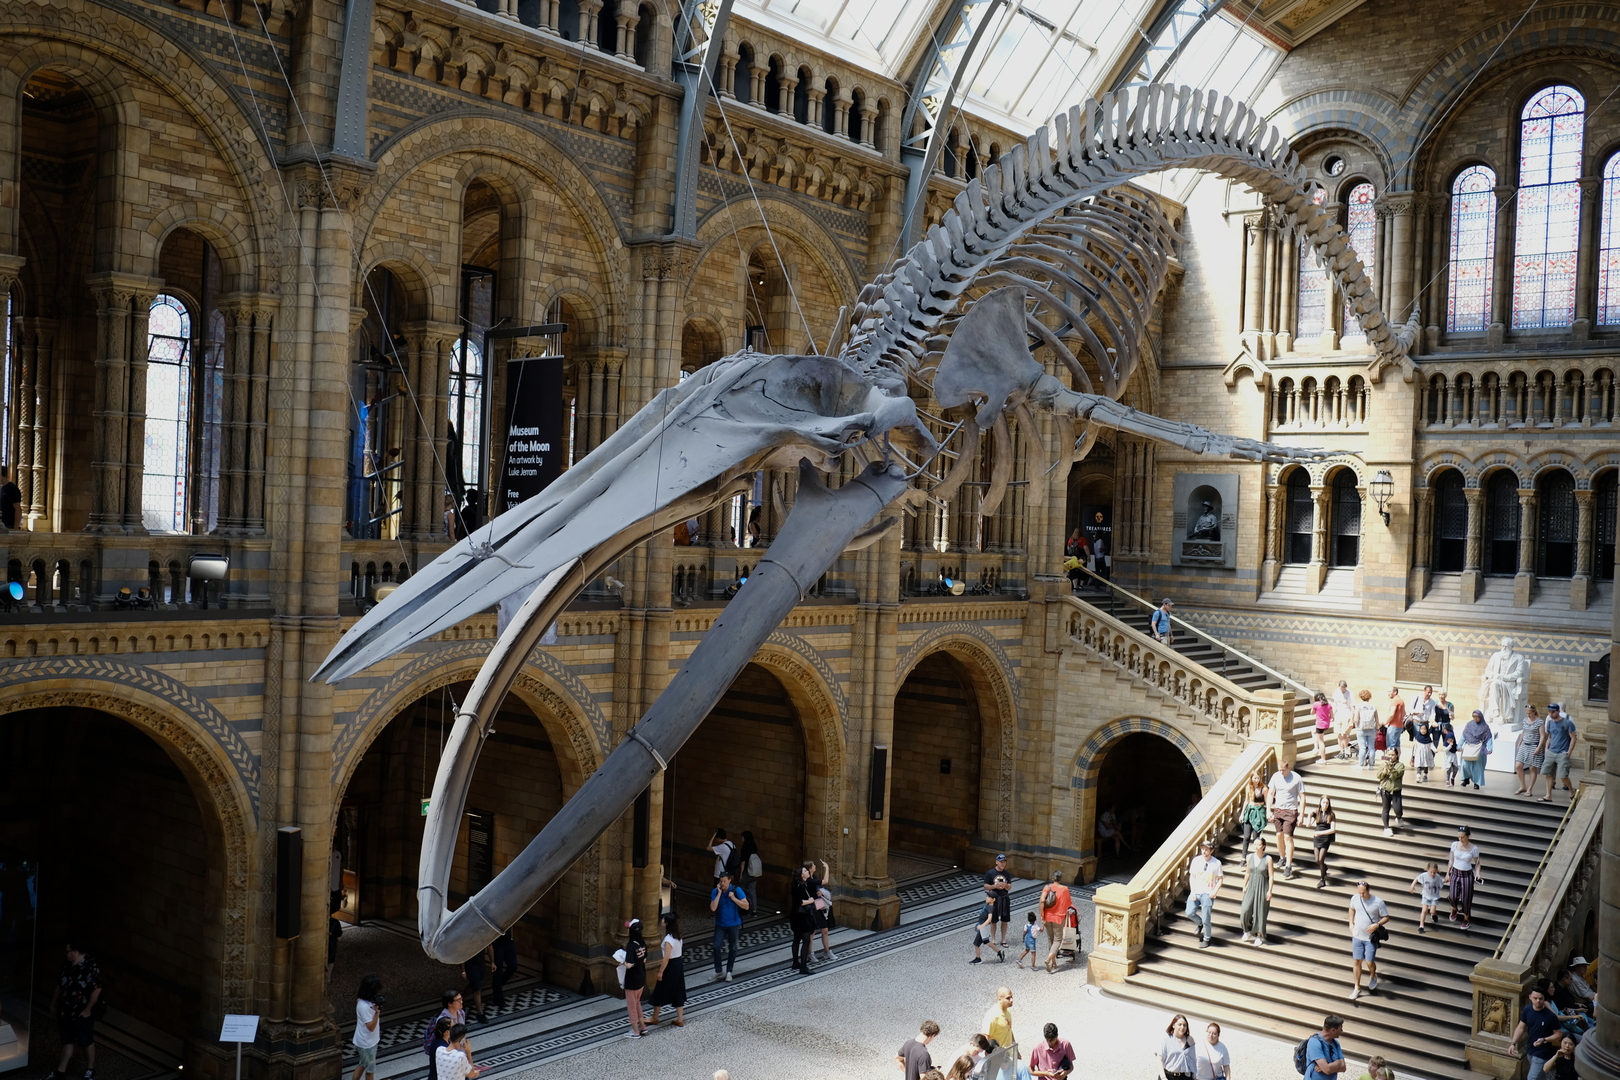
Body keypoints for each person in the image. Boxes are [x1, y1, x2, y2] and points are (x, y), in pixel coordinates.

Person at [47, 941, 102, 1080]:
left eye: (67, 951)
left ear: (75, 952)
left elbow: (97, 989)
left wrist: (88, 1009)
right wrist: (53, 1004)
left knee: (85, 1040)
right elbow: (60, 984)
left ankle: (90, 1069)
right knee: (67, 1040)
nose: (65, 954)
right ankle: (60, 1071)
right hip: (65, 1010)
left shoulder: (91, 966)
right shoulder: (67, 964)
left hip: (81, 1012)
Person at [1511, 981, 1566, 1073]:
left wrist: (1544, 1040)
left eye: (1540, 998)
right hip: (1530, 1049)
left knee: (1532, 1077)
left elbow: (1558, 1034)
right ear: (1530, 997)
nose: (1538, 1001)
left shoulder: (1550, 1016)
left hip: (1543, 1052)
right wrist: (1513, 1043)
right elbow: (1520, 1027)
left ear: (1544, 998)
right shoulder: (1527, 1010)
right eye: (1535, 998)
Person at [1348, 881, 1390, 1000]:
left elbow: (1386, 917)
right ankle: (1357, 987)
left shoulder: (1378, 902)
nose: (1361, 895)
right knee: (1357, 961)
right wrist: (1351, 923)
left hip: (1370, 938)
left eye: (1363, 893)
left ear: (1368, 890)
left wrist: (1377, 924)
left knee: (1369, 961)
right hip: (1357, 935)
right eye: (1359, 892)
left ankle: (1373, 974)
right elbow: (1351, 909)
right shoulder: (1355, 898)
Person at [1266, 759, 1305, 878]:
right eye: (1279, 770)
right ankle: (1282, 857)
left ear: (1288, 768)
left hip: (1290, 811)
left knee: (1288, 837)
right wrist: (1268, 810)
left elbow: (1302, 797)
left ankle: (1288, 865)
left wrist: (1301, 814)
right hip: (1278, 810)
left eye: (1283, 770)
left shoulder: (1296, 778)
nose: (1281, 772)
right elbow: (1270, 794)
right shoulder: (1276, 776)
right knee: (1279, 835)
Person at [647, 913, 687, 1028]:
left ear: (667, 923)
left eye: (663, 920)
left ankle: (655, 1017)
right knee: (678, 989)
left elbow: (666, 957)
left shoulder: (669, 939)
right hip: (678, 963)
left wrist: (661, 972)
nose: (661, 921)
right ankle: (680, 1019)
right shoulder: (678, 935)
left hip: (671, 965)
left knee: (660, 989)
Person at [709, 870, 749, 981]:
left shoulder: (736, 890)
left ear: (729, 881)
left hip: (734, 924)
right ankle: (718, 971)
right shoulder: (715, 891)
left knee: (732, 948)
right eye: (720, 881)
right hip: (720, 924)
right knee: (716, 946)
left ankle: (729, 971)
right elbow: (713, 908)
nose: (722, 884)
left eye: (724, 881)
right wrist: (719, 893)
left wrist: (733, 898)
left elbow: (746, 906)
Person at [1183, 839, 1223, 948]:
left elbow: (1220, 879)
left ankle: (1206, 938)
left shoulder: (1216, 863)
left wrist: (1215, 891)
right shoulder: (1196, 860)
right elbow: (1192, 876)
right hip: (1197, 890)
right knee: (1189, 912)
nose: (1204, 851)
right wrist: (1192, 891)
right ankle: (1199, 923)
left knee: (1206, 917)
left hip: (1208, 893)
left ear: (1211, 851)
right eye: (1203, 849)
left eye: (1206, 849)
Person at [1239, 836, 1273, 946]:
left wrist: (1270, 891)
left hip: (1263, 886)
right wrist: (1244, 885)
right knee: (1245, 909)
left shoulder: (1268, 859)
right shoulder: (1249, 857)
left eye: (1259, 844)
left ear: (1263, 846)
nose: (1256, 846)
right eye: (1255, 844)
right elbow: (1248, 872)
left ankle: (1258, 935)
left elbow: (1271, 876)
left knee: (1260, 912)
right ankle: (1247, 930)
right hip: (1251, 886)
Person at [1448, 825, 1484, 930]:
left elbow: (1477, 863)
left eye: (1463, 837)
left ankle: (1466, 919)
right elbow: (1451, 860)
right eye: (1459, 837)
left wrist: (1477, 874)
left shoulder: (1474, 848)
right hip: (1455, 872)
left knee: (1466, 898)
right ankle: (1454, 908)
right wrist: (1447, 873)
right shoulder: (1454, 845)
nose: (1460, 839)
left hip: (1467, 874)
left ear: (1468, 836)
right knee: (1452, 895)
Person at [617, 920, 648, 1038]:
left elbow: (629, 965)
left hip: (632, 979)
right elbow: (644, 959)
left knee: (631, 1006)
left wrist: (622, 961)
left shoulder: (631, 946)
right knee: (637, 1002)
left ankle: (635, 1031)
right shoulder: (642, 943)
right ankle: (643, 1026)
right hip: (641, 976)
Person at [1543, 704, 1578, 802]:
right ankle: (1548, 795)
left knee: (1563, 775)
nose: (1550, 714)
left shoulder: (1567, 723)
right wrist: (1546, 748)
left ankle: (1571, 790)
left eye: (1553, 712)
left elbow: (1573, 738)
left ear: (1558, 711)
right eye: (1549, 712)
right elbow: (1550, 736)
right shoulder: (1550, 723)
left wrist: (1569, 752)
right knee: (1548, 774)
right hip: (1551, 751)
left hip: (1562, 752)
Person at [1038, 872, 1071, 972]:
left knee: (1050, 939)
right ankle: (1048, 960)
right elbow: (1069, 903)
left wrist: (1041, 915)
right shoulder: (1065, 889)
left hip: (1047, 917)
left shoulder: (1047, 887)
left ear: (1052, 878)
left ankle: (1054, 963)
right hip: (1059, 918)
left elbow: (1042, 900)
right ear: (1061, 879)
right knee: (1057, 940)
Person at [352, 975, 383, 1080]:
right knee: (370, 1070)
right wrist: (377, 1013)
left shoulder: (362, 1001)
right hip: (367, 1043)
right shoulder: (363, 1006)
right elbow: (371, 1027)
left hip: (368, 1041)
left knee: (362, 1064)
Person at [790, 860, 819, 974]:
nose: (807, 872)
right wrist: (810, 901)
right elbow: (799, 902)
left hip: (795, 915)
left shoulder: (797, 884)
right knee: (806, 941)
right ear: (802, 875)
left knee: (796, 939)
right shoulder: (801, 886)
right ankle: (803, 967)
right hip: (801, 916)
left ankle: (795, 962)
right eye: (805, 871)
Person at [1515, 704, 1548, 797]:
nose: (1528, 715)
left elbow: (1542, 736)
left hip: (1534, 745)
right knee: (1518, 766)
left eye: (1529, 713)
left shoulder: (1539, 722)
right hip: (1524, 745)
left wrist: (1539, 747)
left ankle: (1529, 789)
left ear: (1534, 712)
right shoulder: (1525, 720)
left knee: (1532, 768)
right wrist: (1519, 742)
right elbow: (1524, 731)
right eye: (1527, 713)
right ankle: (1523, 786)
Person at [983, 853, 1013, 955]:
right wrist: (995, 886)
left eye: (1004, 862)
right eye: (1000, 862)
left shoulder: (1007, 873)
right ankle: (993, 939)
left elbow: (1009, 886)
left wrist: (1005, 885)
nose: (1002, 864)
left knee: (1005, 919)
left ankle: (1003, 939)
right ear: (996, 862)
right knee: (993, 920)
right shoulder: (990, 873)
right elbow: (985, 886)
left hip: (1004, 898)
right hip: (994, 899)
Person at [1304, 1016, 1346, 1080]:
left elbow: (1343, 1068)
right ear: (1333, 1030)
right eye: (1340, 1029)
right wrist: (1338, 1062)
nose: (1341, 1031)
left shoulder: (1335, 1043)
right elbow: (1327, 1069)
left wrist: (1328, 1067)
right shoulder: (1314, 1042)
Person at [1375, 748, 1405, 837]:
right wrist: (1384, 772)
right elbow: (1378, 776)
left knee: (1398, 809)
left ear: (1397, 755)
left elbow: (1398, 774)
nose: (1390, 757)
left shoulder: (1400, 765)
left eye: (1392, 755)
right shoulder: (1383, 764)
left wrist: (1390, 767)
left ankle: (1399, 817)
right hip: (1385, 790)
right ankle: (1386, 827)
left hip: (1396, 790)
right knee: (1385, 809)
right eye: (1389, 755)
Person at [1310, 794, 1337, 889]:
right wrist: (1309, 815)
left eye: (1327, 803)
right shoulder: (1317, 813)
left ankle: (1322, 879)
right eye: (1323, 802)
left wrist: (1320, 833)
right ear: (1320, 803)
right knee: (1317, 860)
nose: (1325, 804)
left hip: (1325, 838)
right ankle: (1324, 867)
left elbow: (1332, 829)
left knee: (1321, 859)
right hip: (1317, 838)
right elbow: (1308, 824)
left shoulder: (1331, 815)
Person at [1157, 1014, 1196, 1080]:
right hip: (1169, 1076)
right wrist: (1163, 1077)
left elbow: (1192, 1060)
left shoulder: (1190, 1040)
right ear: (1173, 1025)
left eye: (1184, 1025)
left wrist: (1195, 1075)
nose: (1182, 1027)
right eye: (1179, 1024)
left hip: (1185, 1077)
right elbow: (1160, 1059)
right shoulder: (1167, 1040)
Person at [813, 858, 838, 960]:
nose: (815, 866)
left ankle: (827, 951)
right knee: (812, 932)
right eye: (813, 866)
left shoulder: (814, 878)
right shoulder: (809, 880)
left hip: (818, 904)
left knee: (825, 929)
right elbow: (825, 881)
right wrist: (827, 867)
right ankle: (809, 953)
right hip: (811, 907)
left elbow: (818, 890)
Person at [1461, 709, 1493, 789]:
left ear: (1481, 717)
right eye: (1473, 716)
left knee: (1479, 766)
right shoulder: (1469, 725)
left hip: (1481, 747)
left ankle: (1477, 783)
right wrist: (1459, 746)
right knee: (1465, 764)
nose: (1475, 718)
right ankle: (1466, 779)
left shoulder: (1485, 726)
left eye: (1477, 716)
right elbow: (1464, 736)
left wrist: (1489, 749)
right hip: (1469, 746)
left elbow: (1489, 738)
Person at [1409, 861, 1443, 934]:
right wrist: (1412, 886)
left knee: (1432, 911)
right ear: (1427, 870)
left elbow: (1441, 883)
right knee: (1424, 910)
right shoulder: (1424, 875)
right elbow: (1417, 879)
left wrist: (1445, 881)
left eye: (1434, 872)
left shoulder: (1437, 877)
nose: (1432, 874)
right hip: (1425, 896)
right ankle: (1421, 926)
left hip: (1434, 896)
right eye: (1431, 872)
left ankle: (1433, 915)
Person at [462, 941, 491, 1022]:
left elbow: (489, 946)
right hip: (471, 966)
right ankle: (480, 1013)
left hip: (481, 965)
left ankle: (461, 998)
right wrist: (463, 971)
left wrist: (492, 962)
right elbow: (462, 956)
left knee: (474, 985)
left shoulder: (482, 939)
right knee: (477, 989)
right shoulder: (467, 941)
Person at [490, 929, 518, 1010]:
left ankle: (497, 985)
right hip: (497, 945)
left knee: (513, 966)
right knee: (498, 971)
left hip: (509, 943)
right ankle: (498, 997)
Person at [1240, 776, 1269, 853]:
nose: (1257, 780)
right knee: (1246, 836)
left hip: (1259, 812)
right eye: (1255, 778)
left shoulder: (1264, 788)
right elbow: (1246, 800)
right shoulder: (1249, 787)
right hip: (1250, 811)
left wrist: (1268, 812)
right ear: (1251, 778)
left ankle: (1256, 854)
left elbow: (1267, 801)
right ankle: (1243, 856)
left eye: (1258, 778)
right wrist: (1242, 814)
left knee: (1256, 837)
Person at [982, 986, 1015, 1050]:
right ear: (999, 999)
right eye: (1008, 998)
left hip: (1009, 1054)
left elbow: (1009, 1031)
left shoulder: (1008, 1011)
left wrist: (1016, 1051)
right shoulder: (992, 1016)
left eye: (1012, 997)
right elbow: (986, 1038)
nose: (1011, 1000)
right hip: (998, 1054)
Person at [1354, 690, 1381, 769]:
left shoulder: (1358, 706)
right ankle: (1371, 765)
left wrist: (1355, 724)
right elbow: (1377, 719)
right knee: (1371, 747)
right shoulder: (1373, 706)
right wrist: (1377, 728)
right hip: (1371, 729)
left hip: (1361, 729)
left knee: (1362, 747)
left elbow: (1356, 720)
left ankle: (1361, 764)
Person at [737, 830, 762, 914]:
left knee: (742, 888)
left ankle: (744, 906)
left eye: (742, 837)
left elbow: (743, 862)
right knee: (752, 890)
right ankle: (754, 909)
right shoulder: (754, 847)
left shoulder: (744, 848)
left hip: (747, 871)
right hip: (754, 872)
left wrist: (741, 874)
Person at [1331, 681, 1356, 760]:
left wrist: (1351, 719)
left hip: (1347, 714)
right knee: (1339, 734)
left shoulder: (1350, 694)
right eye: (1341, 688)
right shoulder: (1337, 692)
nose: (1343, 690)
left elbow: (1353, 707)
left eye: (1344, 689)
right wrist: (1332, 715)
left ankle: (1346, 750)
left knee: (1344, 734)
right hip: (1338, 714)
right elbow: (1335, 704)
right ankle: (1341, 751)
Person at [1411, 709, 1436, 783]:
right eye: (1422, 729)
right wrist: (1413, 755)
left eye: (1425, 729)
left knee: (1425, 765)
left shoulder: (1428, 738)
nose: (1423, 731)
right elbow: (1415, 747)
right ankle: (1418, 776)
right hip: (1419, 754)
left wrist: (1435, 750)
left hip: (1426, 754)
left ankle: (1425, 775)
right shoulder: (1418, 738)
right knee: (1419, 764)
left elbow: (1431, 745)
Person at [1438, 710, 1461, 787]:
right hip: (1448, 757)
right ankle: (1447, 780)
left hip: (1453, 756)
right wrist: (1449, 746)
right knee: (1448, 769)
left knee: (1455, 768)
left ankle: (1453, 778)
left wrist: (1457, 748)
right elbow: (1445, 750)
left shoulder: (1451, 736)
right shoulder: (1446, 742)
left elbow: (1455, 746)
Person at [1382, 688, 1406, 756]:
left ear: (1395, 692)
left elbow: (1391, 714)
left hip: (1393, 726)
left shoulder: (1395, 701)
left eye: (1390, 691)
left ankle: (1388, 760)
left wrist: (1385, 722)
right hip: (1399, 726)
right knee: (1397, 745)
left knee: (1390, 746)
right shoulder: (1401, 701)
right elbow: (1404, 713)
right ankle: (1397, 760)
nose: (1388, 693)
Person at [1311, 691, 1333, 762]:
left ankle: (1323, 758)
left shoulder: (1316, 704)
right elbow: (1332, 716)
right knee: (1313, 731)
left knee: (1321, 741)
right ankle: (1315, 747)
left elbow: (1312, 713)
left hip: (1320, 724)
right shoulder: (1328, 704)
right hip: (1326, 724)